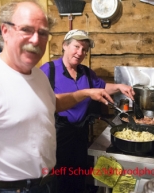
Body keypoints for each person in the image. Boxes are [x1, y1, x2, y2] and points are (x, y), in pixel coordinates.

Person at [0, 1, 114, 193]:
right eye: (27, 30)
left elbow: (53, 104)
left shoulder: (37, 74)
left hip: (48, 183)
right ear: (5, 31)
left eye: (43, 33)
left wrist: (86, 92)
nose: (35, 39)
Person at [40, 29, 135, 193]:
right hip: (56, 134)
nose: (80, 52)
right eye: (76, 47)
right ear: (65, 46)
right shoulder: (49, 70)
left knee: (78, 173)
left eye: (84, 50)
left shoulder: (86, 72)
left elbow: (102, 86)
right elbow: (41, 101)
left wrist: (119, 86)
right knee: (58, 178)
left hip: (80, 133)